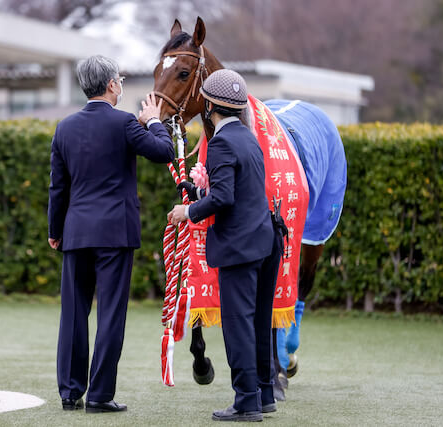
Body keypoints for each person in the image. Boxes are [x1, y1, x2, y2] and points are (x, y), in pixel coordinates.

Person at [48, 55, 174, 414]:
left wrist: (55, 231)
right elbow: (163, 151)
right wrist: (153, 121)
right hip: (115, 233)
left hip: (76, 231)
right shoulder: (124, 123)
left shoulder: (64, 128)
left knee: (73, 314)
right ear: (111, 85)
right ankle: (101, 395)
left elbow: (59, 188)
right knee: (110, 315)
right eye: (119, 79)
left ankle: (70, 392)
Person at [168, 69, 282, 422]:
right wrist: (199, 193)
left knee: (238, 325)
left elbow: (225, 198)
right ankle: (263, 394)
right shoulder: (249, 138)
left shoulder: (219, 142)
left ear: (212, 105)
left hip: (240, 246)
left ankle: (246, 401)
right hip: (264, 240)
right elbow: (239, 193)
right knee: (259, 322)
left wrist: (188, 210)